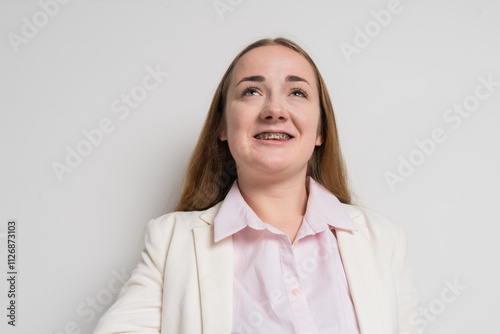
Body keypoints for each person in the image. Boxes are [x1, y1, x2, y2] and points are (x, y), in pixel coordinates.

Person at [93, 37, 422, 334]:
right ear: (222, 125)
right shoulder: (170, 242)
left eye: (297, 92)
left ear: (321, 131)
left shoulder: (383, 239)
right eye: (251, 91)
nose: (275, 110)